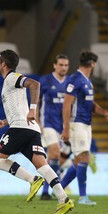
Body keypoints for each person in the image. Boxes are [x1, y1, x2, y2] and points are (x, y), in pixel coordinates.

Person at [0, 49, 74, 214]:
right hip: (30, 128)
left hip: (21, 127)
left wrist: (33, 109)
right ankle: (63, 199)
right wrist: (6, 121)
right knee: (42, 165)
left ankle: (32, 180)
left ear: (3, 64)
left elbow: (35, 84)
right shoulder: (9, 82)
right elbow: (19, 108)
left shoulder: (12, 78)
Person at [60, 49, 108, 205]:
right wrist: (67, 128)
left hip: (86, 124)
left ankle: (59, 188)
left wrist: (103, 112)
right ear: (92, 64)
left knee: (78, 160)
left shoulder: (87, 81)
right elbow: (66, 104)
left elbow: (90, 104)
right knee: (84, 158)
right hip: (76, 123)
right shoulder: (75, 79)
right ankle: (83, 197)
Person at [37, 54, 70, 200]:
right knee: (55, 153)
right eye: (61, 65)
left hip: (65, 126)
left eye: (66, 65)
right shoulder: (45, 81)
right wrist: (37, 120)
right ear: (54, 65)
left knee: (56, 158)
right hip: (48, 123)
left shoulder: (70, 82)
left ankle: (48, 190)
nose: (63, 68)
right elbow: (37, 101)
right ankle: (48, 191)